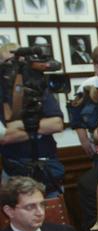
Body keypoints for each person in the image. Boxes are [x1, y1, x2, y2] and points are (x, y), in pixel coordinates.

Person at [0, 52, 64, 194]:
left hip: (47, 168)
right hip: (15, 171)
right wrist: (40, 128)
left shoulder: (38, 88)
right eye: (9, 64)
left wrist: (20, 126)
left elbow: (57, 124)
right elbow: (5, 137)